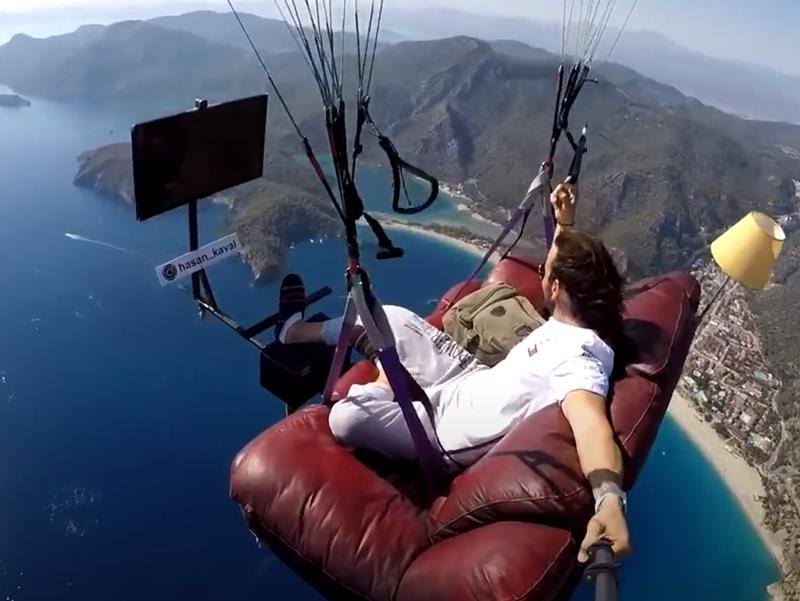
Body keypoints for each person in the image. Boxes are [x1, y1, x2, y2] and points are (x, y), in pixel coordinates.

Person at [276, 181, 630, 562]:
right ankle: (292, 332)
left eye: (546, 269)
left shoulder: (581, 358)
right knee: (388, 316)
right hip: (465, 376)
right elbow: (566, 269)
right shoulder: (573, 319)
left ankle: (385, 381)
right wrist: (565, 224)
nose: (541, 271)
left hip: (440, 435)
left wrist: (609, 498)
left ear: (556, 288)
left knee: (346, 418)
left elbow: (592, 424)